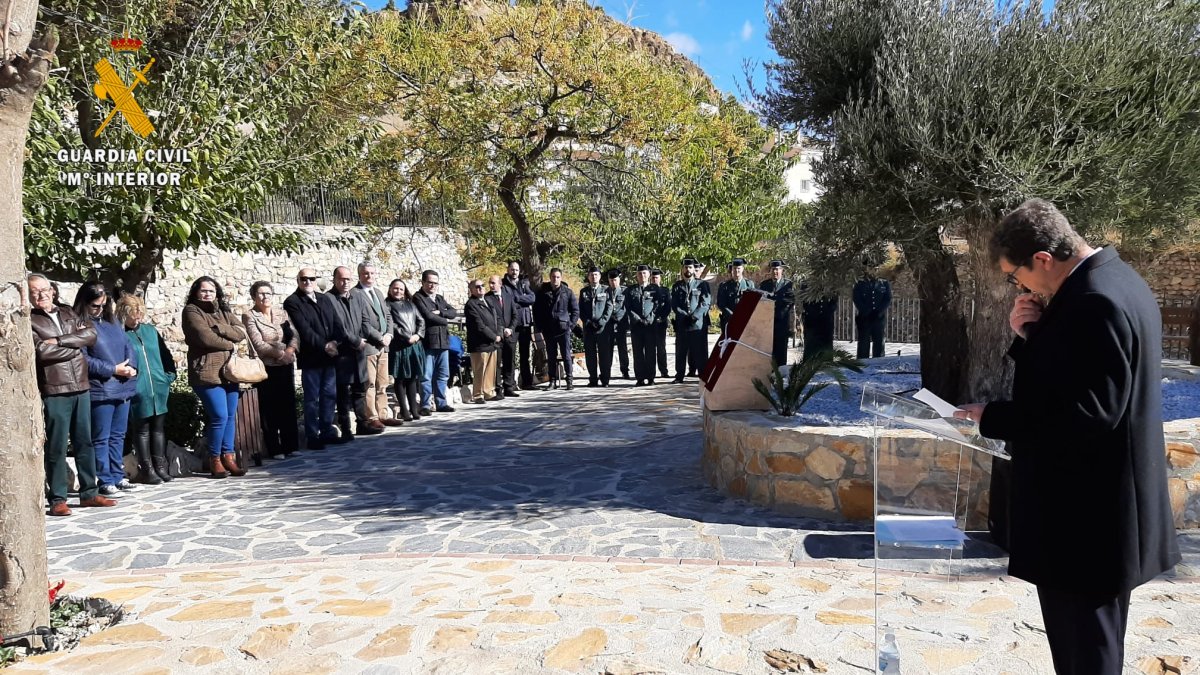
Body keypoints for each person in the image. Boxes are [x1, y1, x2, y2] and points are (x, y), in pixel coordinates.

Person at [954, 199, 1180, 675]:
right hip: (1100, 517)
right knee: (1092, 648)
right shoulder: (1116, 280)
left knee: (1087, 655)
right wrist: (1032, 334)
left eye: (1015, 275)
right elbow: (1081, 374)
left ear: (1042, 259)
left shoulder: (1094, 299)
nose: (1019, 286)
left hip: (1087, 522)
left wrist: (992, 418)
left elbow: (1090, 413)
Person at [29, 274, 116, 515]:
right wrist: (74, 348)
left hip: (81, 385)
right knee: (56, 445)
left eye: (45, 289)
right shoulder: (30, 320)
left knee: (84, 442)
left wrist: (57, 341)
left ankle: (89, 492)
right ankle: (58, 498)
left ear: (53, 290)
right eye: (35, 291)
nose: (42, 295)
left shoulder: (68, 312)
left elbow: (90, 335)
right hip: (55, 388)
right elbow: (41, 353)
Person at [75, 282, 139, 496]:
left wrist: (131, 367)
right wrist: (112, 369)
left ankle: (117, 475)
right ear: (84, 303)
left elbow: (128, 346)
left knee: (118, 436)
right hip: (101, 389)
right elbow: (84, 359)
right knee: (101, 437)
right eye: (95, 306)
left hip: (122, 387)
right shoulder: (80, 326)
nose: (100, 310)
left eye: (104, 305)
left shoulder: (112, 323)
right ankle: (105, 479)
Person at [181, 276, 248, 478]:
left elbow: (241, 331)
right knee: (219, 415)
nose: (207, 294)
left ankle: (229, 457)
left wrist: (221, 329)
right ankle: (214, 459)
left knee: (229, 416)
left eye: (211, 291)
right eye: (203, 291)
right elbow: (205, 337)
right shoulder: (192, 311)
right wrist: (229, 343)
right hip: (206, 372)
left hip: (229, 372)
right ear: (195, 292)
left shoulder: (223, 311)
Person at [284, 268, 348, 449]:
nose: (308, 282)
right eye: (303, 279)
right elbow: (304, 330)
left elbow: (337, 324)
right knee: (312, 399)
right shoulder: (293, 302)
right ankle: (313, 436)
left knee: (329, 395)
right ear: (298, 280)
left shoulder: (324, 299)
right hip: (312, 358)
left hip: (330, 357)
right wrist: (325, 346)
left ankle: (327, 431)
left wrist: (335, 342)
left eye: (311, 279)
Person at [117, 294, 176, 484]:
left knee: (158, 429)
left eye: (139, 315)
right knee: (141, 430)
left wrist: (168, 377)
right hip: (138, 389)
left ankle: (161, 467)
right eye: (133, 316)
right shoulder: (120, 334)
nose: (137, 319)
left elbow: (165, 355)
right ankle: (146, 469)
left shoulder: (150, 331)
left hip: (158, 387)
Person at [242, 281, 300, 459]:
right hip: (267, 367)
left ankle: (291, 445)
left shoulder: (281, 314)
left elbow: (295, 335)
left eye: (268, 293)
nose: (265, 297)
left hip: (286, 364)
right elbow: (258, 343)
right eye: (260, 293)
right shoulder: (250, 316)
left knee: (288, 405)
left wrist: (290, 351)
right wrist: (280, 354)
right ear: (254, 296)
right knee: (269, 408)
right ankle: (274, 448)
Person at [329, 266, 377, 438]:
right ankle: (346, 428)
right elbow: (337, 326)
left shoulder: (357, 297)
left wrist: (363, 339)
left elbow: (365, 320)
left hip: (359, 352)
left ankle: (362, 424)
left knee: (360, 389)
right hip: (342, 352)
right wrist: (356, 341)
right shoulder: (329, 299)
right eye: (341, 279)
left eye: (348, 279)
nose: (345, 282)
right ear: (334, 279)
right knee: (342, 391)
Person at [356, 262, 400, 428]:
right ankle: (372, 416)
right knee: (370, 384)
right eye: (366, 273)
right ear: (360, 275)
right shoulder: (356, 294)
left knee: (383, 383)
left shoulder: (378, 293)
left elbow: (388, 316)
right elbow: (363, 323)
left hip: (384, 346)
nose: (369, 276)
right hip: (370, 347)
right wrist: (380, 337)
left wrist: (389, 334)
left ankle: (383, 414)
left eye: (372, 273)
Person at [413, 269, 459, 414]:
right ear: (423, 282)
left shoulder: (439, 298)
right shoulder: (418, 298)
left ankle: (441, 403)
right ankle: (425, 405)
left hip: (443, 342)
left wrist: (440, 313)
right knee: (426, 376)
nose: (432, 286)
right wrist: (446, 321)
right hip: (428, 343)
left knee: (442, 374)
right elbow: (427, 316)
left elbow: (453, 312)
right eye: (429, 283)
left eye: (435, 283)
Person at [386, 279, 426, 422]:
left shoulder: (411, 304)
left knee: (412, 378)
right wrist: (406, 336)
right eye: (395, 288)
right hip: (400, 346)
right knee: (400, 379)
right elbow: (392, 325)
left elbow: (421, 321)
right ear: (390, 289)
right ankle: (404, 410)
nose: (398, 291)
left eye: (401, 289)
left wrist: (417, 335)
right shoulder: (387, 305)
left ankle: (414, 410)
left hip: (414, 345)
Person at [533, 268, 579, 390]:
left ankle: (569, 380)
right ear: (550, 277)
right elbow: (537, 311)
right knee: (551, 356)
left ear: (561, 278)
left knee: (566, 355)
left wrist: (571, 326)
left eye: (558, 277)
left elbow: (575, 310)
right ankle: (552, 380)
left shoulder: (567, 292)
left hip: (564, 329)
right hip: (549, 329)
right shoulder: (543, 293)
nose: (555, 279)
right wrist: (541, 327)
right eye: (553, 277)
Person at [670, 257, 712, 383]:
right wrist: (684, 316)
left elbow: (705, 303)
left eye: (690, 267)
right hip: (683, 323)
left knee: (700, 351)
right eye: (685, 267)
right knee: (681, 350)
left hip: (697, 324)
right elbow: (675, 304)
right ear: (682, 269)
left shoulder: (702, 285)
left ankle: (703, 375)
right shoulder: (677, 286)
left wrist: (694, 316)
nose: (687, 269)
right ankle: (679, 376)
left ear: (694, 269)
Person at [464, 279, 502, 403]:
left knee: (491, 369)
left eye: (482, 285)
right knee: (480, 369)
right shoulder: (471, 304)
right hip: (479, 343)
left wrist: (499, 334)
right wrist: (493, 336)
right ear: (472, 290)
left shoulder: (489, 301)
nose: (481, 288)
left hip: (492, 343)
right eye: (477, 286)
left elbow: (498, 318)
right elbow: (479, 325)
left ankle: (488, 392)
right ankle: (478, 394)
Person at [502, 261, 535, 391]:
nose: (514, 272)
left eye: (516, 270)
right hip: (512, 325)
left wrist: (518, 298)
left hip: (525, 324)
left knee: (525, 354)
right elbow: (508, 301)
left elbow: (532, 298)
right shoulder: (504, 285)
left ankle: (526, 382)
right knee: (509, 354)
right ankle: (510, 384)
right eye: (512, 269)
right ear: (508, 270)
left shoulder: (523, 283)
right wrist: (522, 299)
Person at [625, 265, 661, 386]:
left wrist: (650, 318)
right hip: (637, 326)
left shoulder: (654, 289)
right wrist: (638, 319)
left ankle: (651, 377)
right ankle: (640, 377)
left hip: (650, 326)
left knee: (651, 352)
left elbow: (657, 305)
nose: (642, 276)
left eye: (645, 273)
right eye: (640, 274)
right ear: (637, 275)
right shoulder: (631, 290)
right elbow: (628, 307)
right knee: (638, 353)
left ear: (649, 275)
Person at [578, 267, 614, 387]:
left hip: (602, 329)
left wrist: (601, 322)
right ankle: (593, 379)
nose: (594, 277)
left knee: (604, 355)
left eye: (596, 275)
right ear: (588, 277)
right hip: (589, 328)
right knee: (590, 355)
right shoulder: (584, 292)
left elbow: (609, 308)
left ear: (599, 277)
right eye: (592, 275)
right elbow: (581, 310)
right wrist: (587, 322)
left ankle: (605, 379)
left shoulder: (606, 290)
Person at [758, 260, 795, 366]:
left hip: (782, 322)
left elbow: (790, 302)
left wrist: (779, 313)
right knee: (769, 351)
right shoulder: (764, 285)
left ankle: (781, 375)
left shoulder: (788, 284)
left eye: (777, 269)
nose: (775, 272)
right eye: (773, 269)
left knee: (781, 350)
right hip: (768, 324)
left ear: (782, 270)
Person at [486, 274, 517, 398]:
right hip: (497, 337)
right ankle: (498, 389)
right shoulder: (487, 299)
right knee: (497, 363)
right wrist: (499, 332)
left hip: (509, 336)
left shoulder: (508, 297)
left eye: (494, 283)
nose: (491, 285)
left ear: (500, 284)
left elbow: (515, 315)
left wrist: (511, 329)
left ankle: (509, 387)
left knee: (510, 361)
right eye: (490, 283)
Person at [852, 265, 891, 359]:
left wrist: (879, 312)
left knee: (879, 342)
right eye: (871, 268)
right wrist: (866, 311)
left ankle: (878, 362)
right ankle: (863, 363)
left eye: (876, 269)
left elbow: (887, 299)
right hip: (864, 318)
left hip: (878, 317)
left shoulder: (884, 283)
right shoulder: (860, 283)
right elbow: (857, 299)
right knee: (863, 343)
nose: (874, 271)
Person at [799, 281, 838, 361]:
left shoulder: (831, 282)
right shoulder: (806, 283)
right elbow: (805, 301)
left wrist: (827, 311)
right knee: (811, 345)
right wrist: (814, 313)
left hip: (826, 319)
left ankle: (827, 364)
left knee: (826, 345)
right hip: (812, 319)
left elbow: (834, 300)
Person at [716, 258, 755, 334]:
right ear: (731, 269)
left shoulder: (749, 284)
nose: (736, 271)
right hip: (728, 320)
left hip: (744, 320)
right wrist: (732, 315)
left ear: (742, 269)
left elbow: (752, 303)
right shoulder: (724, 286)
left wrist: (741, 315)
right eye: (734, 268)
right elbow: (721, 304)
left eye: (738, 268)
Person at [609, 269, 631, 379]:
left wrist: (618, 317)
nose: (613, 282)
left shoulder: (624, 291)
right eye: (611, 280)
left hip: (620, 323)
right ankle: (606, 371)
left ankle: (625, 370)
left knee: (622, 348)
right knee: (607, 349)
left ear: (619, 279)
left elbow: (627, 307)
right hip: (608, 324)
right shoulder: (605, 291)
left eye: (615, 280)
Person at [650, 268, 671, 379]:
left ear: (660, 279)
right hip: (649, 323)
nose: (654, 279)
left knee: (661, 348)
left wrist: (662, 318)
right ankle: (651, 372)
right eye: (652, 278)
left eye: (656, 278)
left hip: (661, 323)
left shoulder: (665, 290)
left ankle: (664, 371)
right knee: (650, 349)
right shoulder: (647, 290)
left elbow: (668, 306)